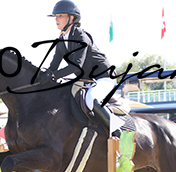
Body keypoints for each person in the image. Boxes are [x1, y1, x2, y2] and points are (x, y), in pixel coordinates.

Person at [39, 0, 123, 137]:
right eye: (56, 16)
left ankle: (118, 132)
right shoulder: (61, 40)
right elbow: (53, 66)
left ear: (71, 18)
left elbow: (76, 66)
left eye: (60, 16)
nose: (56, 19)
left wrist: (53, 75)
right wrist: (40, 76)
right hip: (88, 81)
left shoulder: (81, 36)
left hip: (104, 77)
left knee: (91, 99)